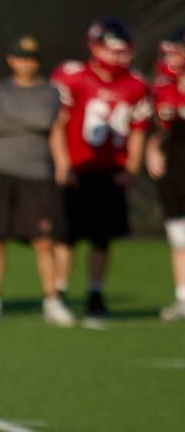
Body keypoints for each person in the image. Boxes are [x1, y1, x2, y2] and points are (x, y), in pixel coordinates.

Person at [50, 18, 151, 318]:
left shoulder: (135, 84)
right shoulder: (74, 77)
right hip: (78, 167)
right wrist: (62, 163)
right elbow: (58, 125)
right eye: (110, 50)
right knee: (66, 236)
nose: (116, 58)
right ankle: (59, 290)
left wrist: (131, 167)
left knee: (102, 238)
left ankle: (95, 292)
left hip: (110, 169)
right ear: (94, 48)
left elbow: (138, 129)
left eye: (122, 51)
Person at [0, 35, 75, 326]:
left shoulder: (50, 92)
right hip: (0, 170)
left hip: (36, 173)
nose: (25, 63)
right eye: (19, 57)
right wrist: (27, 120)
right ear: (10, 60)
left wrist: (11, 117)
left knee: (44, 240)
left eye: (31, 58)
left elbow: (45, 120)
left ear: (38, 61)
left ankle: (52, 300)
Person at [146, 39, 185, 321]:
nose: (172, 58)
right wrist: (152, 148)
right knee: (179, 237)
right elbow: (161, 128)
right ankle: (183, 297)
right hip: (175, 167)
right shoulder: (162, 86)